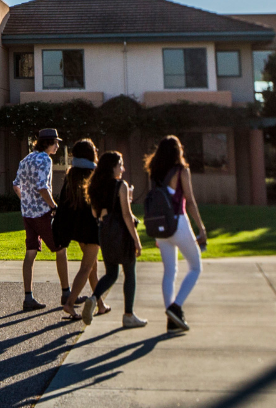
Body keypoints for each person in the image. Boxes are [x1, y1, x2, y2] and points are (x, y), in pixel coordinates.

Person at [148, 135, 207, 332]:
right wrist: (201, 228)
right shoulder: (181, 170)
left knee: (169, 271)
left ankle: (171, 320)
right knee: (196, 266)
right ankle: (176, 306)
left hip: (160, 227)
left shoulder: (155, 172)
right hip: (178, 222)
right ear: (177, 151)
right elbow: (189, 201)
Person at [87, 151, 146, 329]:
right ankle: (128, 315)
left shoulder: (95, 186)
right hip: (121, 233)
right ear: (113, 167)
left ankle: (93, 298)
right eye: (120, 164)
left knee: (111, 273)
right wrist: (136, 240)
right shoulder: (121, 185)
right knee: (129, 272)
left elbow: (94, 214)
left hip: (104, 232)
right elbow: (127, 216)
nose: (123, 168)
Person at [13, 128, 70, 311]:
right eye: (55, 142)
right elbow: (42, 187)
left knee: (30, 252)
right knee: (60, 248)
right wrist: (54, 207)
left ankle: (28, 298)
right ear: (47, 143)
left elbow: (16, 186)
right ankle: (66, 293)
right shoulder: (45, 159)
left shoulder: (26, 159)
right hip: (42, 213)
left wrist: (26, 201)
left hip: (27, 214)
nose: (57, 146)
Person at [55, 139, 107, 320]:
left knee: (92, 267)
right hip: (93, 228)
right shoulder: (96, 174)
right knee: (87, 267)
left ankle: (100, 305)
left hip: (78, 228)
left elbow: (64, 203)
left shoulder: (71, 174)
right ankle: (69, 303)